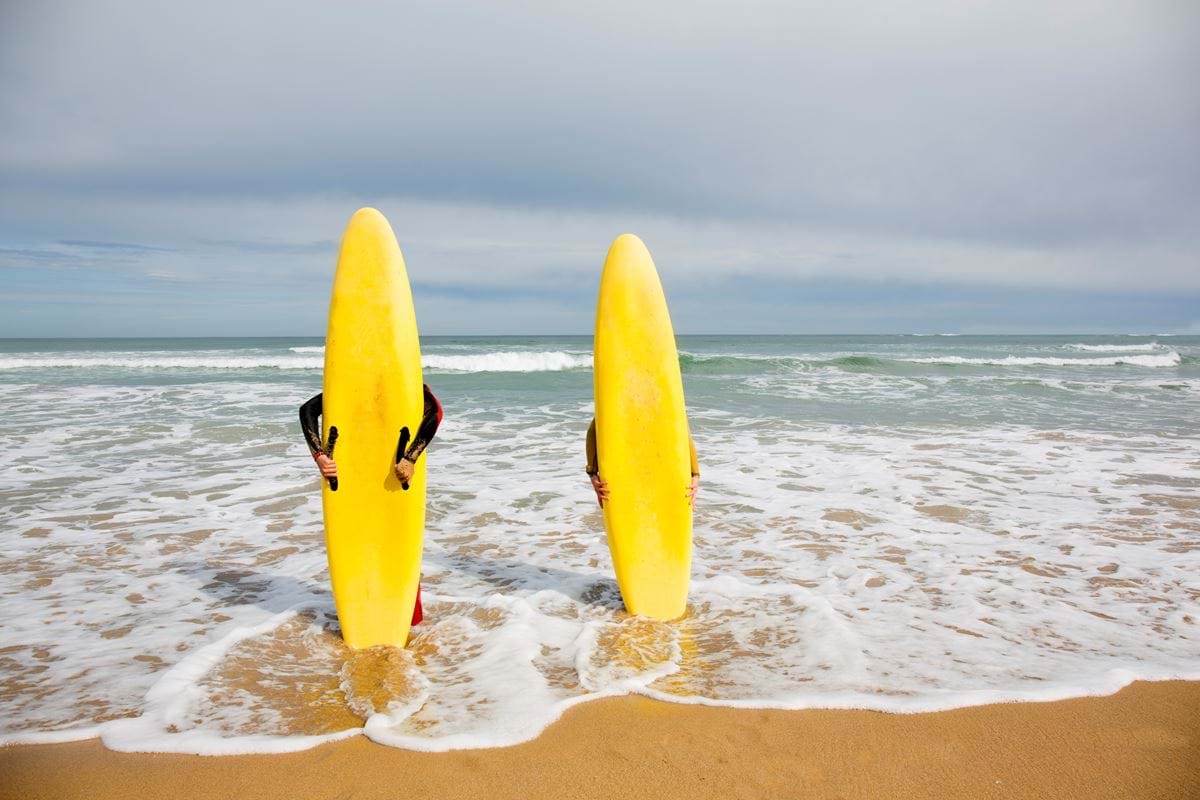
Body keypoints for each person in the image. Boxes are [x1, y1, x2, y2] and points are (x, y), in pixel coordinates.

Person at [300, 384, 442, 626]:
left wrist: (411, 458)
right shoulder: (353, 379)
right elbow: (308, 411)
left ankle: (402, 621)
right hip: (355, 477)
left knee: (396, 545)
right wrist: (320, 456)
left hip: (394, 477)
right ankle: (360, 616)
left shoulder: (402, 378)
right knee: (356, 545)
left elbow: (435, 412)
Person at [585, 418, 699, 508]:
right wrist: (695, 474)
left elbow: (594, 428)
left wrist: (592, 473)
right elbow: (684, 432)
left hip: (631, 470)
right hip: (653, 471)